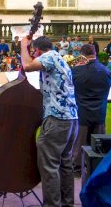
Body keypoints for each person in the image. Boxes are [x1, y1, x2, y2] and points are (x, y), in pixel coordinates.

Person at [20, 35, 78, 207]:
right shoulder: (61, 58)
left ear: (38, 50)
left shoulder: (49, 56)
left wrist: (23, 46)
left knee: (49, 165)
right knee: (65, 164)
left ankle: (52, 204)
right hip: (71, 119)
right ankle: (67, 204)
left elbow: (28, 66)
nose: (33, 55)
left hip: (57, 120)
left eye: (34, 52)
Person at [72, 44, 111, 172]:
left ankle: (78, 167)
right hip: (100, 111)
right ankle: (97, 168)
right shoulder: (106, 71)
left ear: (82, 56)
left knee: (79, 144)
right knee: (99, 144)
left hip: (82, 112)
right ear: (95, 53)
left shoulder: (76, 71)